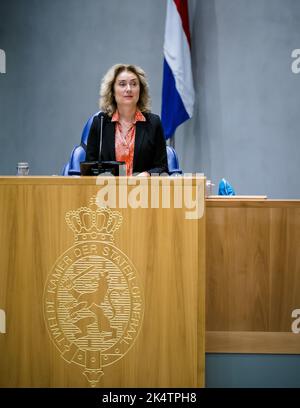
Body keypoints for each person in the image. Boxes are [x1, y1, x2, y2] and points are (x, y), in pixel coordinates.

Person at [86, 64, 168, 176]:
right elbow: (88, 170)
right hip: (106, 191)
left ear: (140, 90)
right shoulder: (100, 123)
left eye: (134, 84)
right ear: (112, 90)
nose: (128, 89)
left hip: (142, 191)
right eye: (122, 84)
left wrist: (147, 174)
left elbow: (162, 168)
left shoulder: (153, 123)